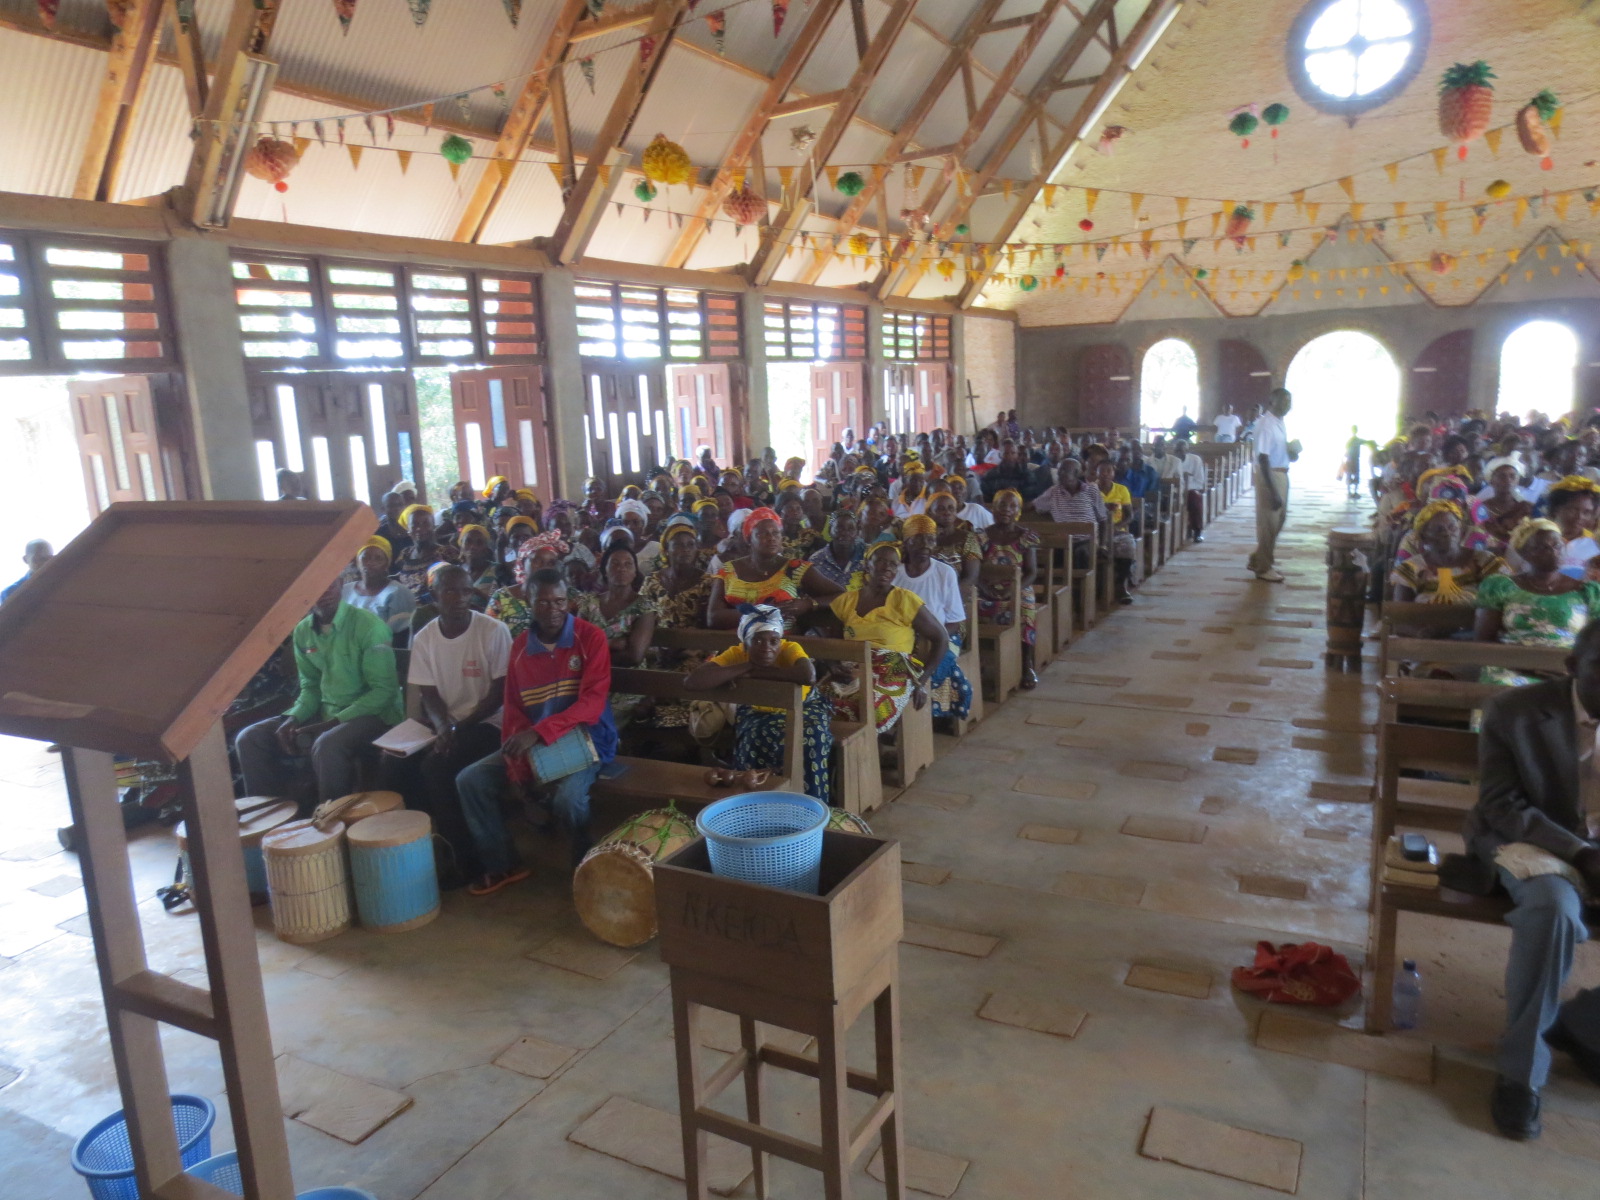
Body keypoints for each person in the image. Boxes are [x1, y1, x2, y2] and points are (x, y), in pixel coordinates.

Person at [1469, 617, 1600, 1141]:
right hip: (1537, 841)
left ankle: (1585, 1020)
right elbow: (1501, 804)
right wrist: (1582, 854)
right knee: (1552, 909)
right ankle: (1521, 1074)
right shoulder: (1515, 712)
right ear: (1573, 666)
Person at [454, 569, 617, 894]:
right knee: (470, 780)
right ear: (528, 602)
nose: (553, 609)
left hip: (586, 740)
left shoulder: (589, 638)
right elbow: (514, 712)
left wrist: (540, 733)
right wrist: (518, 773)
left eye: (560, 601)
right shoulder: (520, 649)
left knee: (569, 800)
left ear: (568, 601)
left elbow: (592, 704)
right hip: (536, 743)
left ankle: (583, 861)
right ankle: (502, 863)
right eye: (543, 602)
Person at [235, 575, 403, 807]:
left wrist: (334, 721)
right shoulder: (303, 631)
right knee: (250, 738)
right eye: (316, 586)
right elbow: (310, 687)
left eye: (330, 584)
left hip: (374, 715)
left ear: (341, 584)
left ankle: (330, 818)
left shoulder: (368, 626)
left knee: (327, 745)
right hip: (327, 711)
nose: (324, 592)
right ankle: (269, 816)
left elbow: (384, 691)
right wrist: (293, 718)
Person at [393, 564, 512, 885]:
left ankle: (466, 861)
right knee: (394, 764)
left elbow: (499, 694)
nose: (460, 598)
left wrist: (458, 728)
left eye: (465, 590)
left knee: (436, 767)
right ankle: (423, 848)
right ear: (434, 596)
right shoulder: (426, 637)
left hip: (490, 724)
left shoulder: (493, 631)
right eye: (450, 591)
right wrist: (444, 725)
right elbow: (428, 692)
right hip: (449, 723)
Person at [684, 603, 833, 802]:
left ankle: (811, 803)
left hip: (804, 707)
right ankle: (756, 804)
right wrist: (746, 666)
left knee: (812, 736)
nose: (767, 648)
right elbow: (693, 682)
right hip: (757, 711)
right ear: (745, 643)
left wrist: (755, 672)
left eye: (773, 641)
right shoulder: (736, 653)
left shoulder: (790, 648)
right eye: (758, 640)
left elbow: (808, 676)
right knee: (754, 737)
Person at [826, 542, 949, 734]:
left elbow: (941, 638)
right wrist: (833, 665)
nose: (887, 568)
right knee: (818, 702)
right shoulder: (845, 601)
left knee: (871, 708)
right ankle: (840, 748)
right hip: (853, 669)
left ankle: (865, 748)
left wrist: (922, 681)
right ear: (867, 565)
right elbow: (832, 645)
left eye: (893, 564)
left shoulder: (905, 600)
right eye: (881, 561)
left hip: (892, 670)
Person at [1476, 520, 1600, 687]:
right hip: (1512, 667)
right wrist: (1528, 667)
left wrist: (1570, 668)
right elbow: (1484, 639)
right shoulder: (1501, 587)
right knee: (1507, 686)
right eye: (1542, 547)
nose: (1553, 551)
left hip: (1566, 669)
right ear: (1524, 553)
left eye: (1557, 545)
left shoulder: (1586, 591)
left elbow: (1594, 643)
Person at [709, 506, 842, 632]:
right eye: (763, 534)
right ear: (749, 539)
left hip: (784, 643)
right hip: (735, 643)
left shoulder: (795, 568)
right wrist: (765, 612)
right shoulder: (728, 571)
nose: (771, 538)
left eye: (776, 533)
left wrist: (808, 604)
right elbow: (713, 618)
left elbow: (842, 596)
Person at [894, 515, 973, 722]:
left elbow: (955, 621)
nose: (925, 545)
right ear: (906, 542)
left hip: (944, 635)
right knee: (893, 669)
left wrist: (932, 638)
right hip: (903, 638)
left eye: (930, 539)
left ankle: (931, 717)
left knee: (935, 662)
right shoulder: (895, 573)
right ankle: (902, 720)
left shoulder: (944, 572)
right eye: (918, 539)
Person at [982, 488, 1042, 689]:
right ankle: (976, 661)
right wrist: (984, 589)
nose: (1006, 509)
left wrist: (1013, 590)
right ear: (993, 508)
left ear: (1018, 511)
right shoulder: (981, 537)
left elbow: (1031, 572)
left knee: (1025, 609)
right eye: (1002, 505)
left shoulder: (1026, 537)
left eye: (1012, 506)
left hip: (1018, 587)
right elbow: (973, 570)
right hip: (986, 588)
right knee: (964, 607)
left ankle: (1027, 664)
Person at [1388, 501, 1505, 604]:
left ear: (1461, 530)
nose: (1447, 533)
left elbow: (1501, 602)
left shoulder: (1484, 562)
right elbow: (1402, 613)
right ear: (1424, 538)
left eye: (1452, 527)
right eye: (1439, 530)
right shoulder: (1412, 569)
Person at [1250, 387, 1294, 582]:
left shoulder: (1279, 422)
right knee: (1268, 522)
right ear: (1272, 402)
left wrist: (1291, 453)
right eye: (1283, 401)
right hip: (1270, 475)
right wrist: (1273, 491)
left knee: (1279, 519)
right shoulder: (1266, 424)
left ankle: (1258, 559)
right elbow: (1263, 457)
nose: (1287, 405)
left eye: (1289, 401)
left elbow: (1276, 451)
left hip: (1281, 472)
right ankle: (1263, 568)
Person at [341, 535, 416, 637]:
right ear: (358, 562)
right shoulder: (345, 590)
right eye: (365, 557)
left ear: (387, 564)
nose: (371, 562)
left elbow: (399, 637)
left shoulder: (399, 593)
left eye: (378, 558)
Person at [807, 509, 865, 589]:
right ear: (829, 530)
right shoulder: (816, 560)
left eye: (851, 529)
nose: (845, 533)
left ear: (857, 532)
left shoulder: (867, 556)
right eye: (839, 528)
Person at [1173, 438, 1208, 543]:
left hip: (1191, 490)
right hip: (1175, 490)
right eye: (1177, 451)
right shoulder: (1172, 461)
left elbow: (1200, 481)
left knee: (1195, 499)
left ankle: (1197, 531)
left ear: (1187, 451)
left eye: (1181, 451)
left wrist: (1185, 488)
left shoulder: (1195, 460)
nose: (1179, 453)